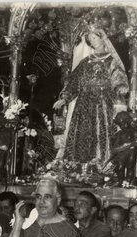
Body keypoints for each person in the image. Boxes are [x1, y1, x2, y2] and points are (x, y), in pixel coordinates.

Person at [53, 28, 129, 166]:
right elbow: (74, 81)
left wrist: (119, 93)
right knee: (82, 133)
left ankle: (103, 165)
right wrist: (64, 98)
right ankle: (79, 166)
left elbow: (119, 79)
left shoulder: (111, 60)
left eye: (94, 38)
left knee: (102, 132)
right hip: (84, 103)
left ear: (102, 38)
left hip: (104, 103)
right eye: (90, 40)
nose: (92, 42)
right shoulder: (85, 62)